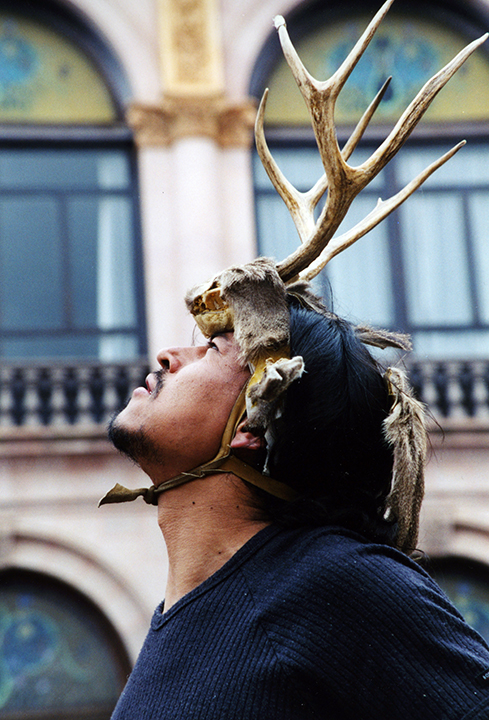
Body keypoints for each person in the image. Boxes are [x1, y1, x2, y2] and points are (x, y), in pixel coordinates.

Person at [99, 6, 489, 717]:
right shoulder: (178, 617)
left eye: (214, 348)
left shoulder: (337, 585)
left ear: (253, 426)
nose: (167, 353)